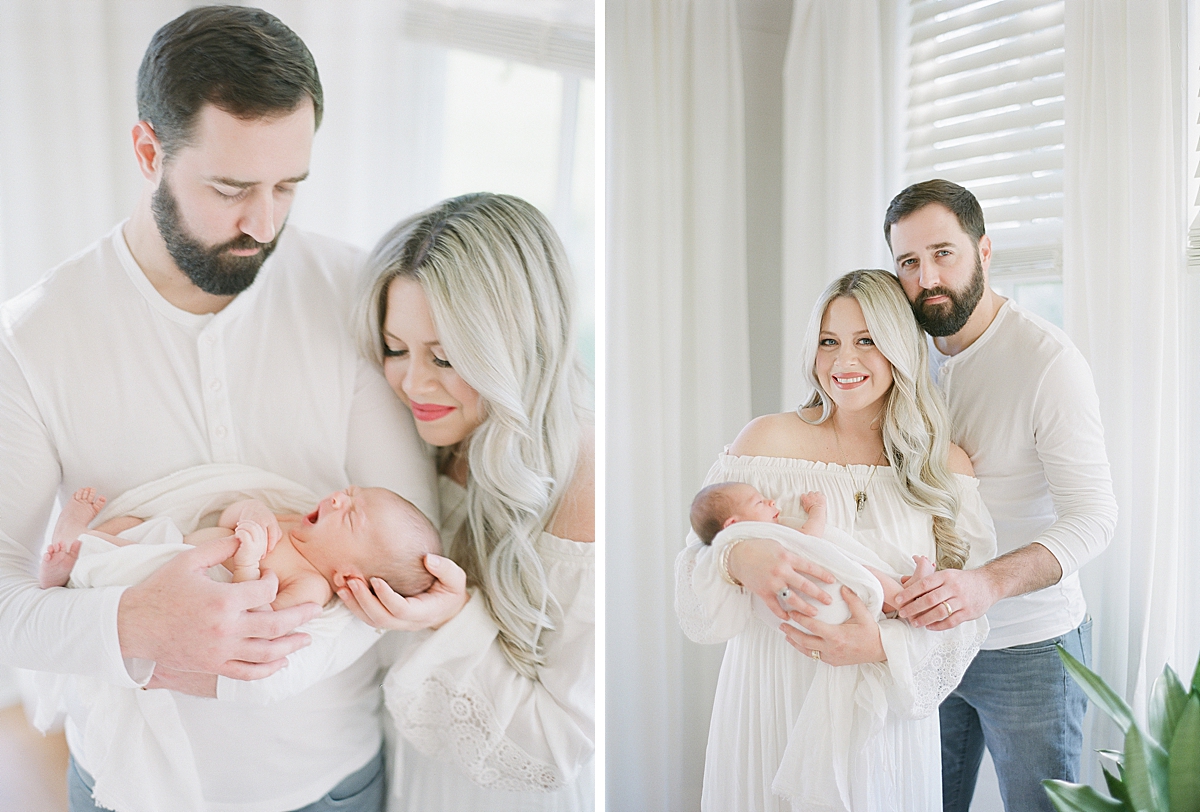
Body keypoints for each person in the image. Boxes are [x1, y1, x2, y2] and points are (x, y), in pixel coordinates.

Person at [0, 7, 435, 812]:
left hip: (333, 784)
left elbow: (404, 542)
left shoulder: (356, 296)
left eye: (288, 187)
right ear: (146, 151)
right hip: (125, 792)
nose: (264, 223)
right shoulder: (36, 337)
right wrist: (130, 625)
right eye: (231, 188)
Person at [675, 268, 997, 812]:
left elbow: (967, 622)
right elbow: (695, 578)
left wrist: (883, 647)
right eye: (829, 342)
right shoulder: (765, 441)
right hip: (772, 699)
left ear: (901, 347)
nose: (844, 362)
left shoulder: (944, 469)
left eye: (866, 341)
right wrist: (737, 557)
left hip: (881, 721)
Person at [349, 192, 595, 811]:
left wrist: (448, 618)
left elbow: (559, 747)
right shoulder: (420, 436)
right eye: (396, 349)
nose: (413, 384)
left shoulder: (583, 475)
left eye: (447, 357)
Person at [883, 179, 1118, 812]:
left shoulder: (1048, 362)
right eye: (908, 262)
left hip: (1031, 649)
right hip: (927, 643)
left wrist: (985, 584)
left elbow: (1095, 516)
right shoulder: (898, 355)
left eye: (943, 253)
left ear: (984, 251)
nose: (927, 277)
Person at [42, 485, 439, 604]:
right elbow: (224, 518)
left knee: (119, 562)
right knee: (132, 525)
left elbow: (256, 617)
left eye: (351, 515)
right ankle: (76, 548)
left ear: (349, 575)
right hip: (171, 541)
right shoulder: (290, 522)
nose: (337, 499)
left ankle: (67, 557)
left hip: (176, 576)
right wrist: (250, 508)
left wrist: (248, 564)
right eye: (350, 493)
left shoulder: (310, 586)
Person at [689, 482, 919, 618]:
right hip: (828, 591)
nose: (771, 502)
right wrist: (817, 510)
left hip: (825, 595)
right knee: (870, 574)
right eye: (759, 502)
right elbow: (809, 540)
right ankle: (909, 603)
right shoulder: (762, 540)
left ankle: (908, 594)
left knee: (876, 585)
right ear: (732, 525)